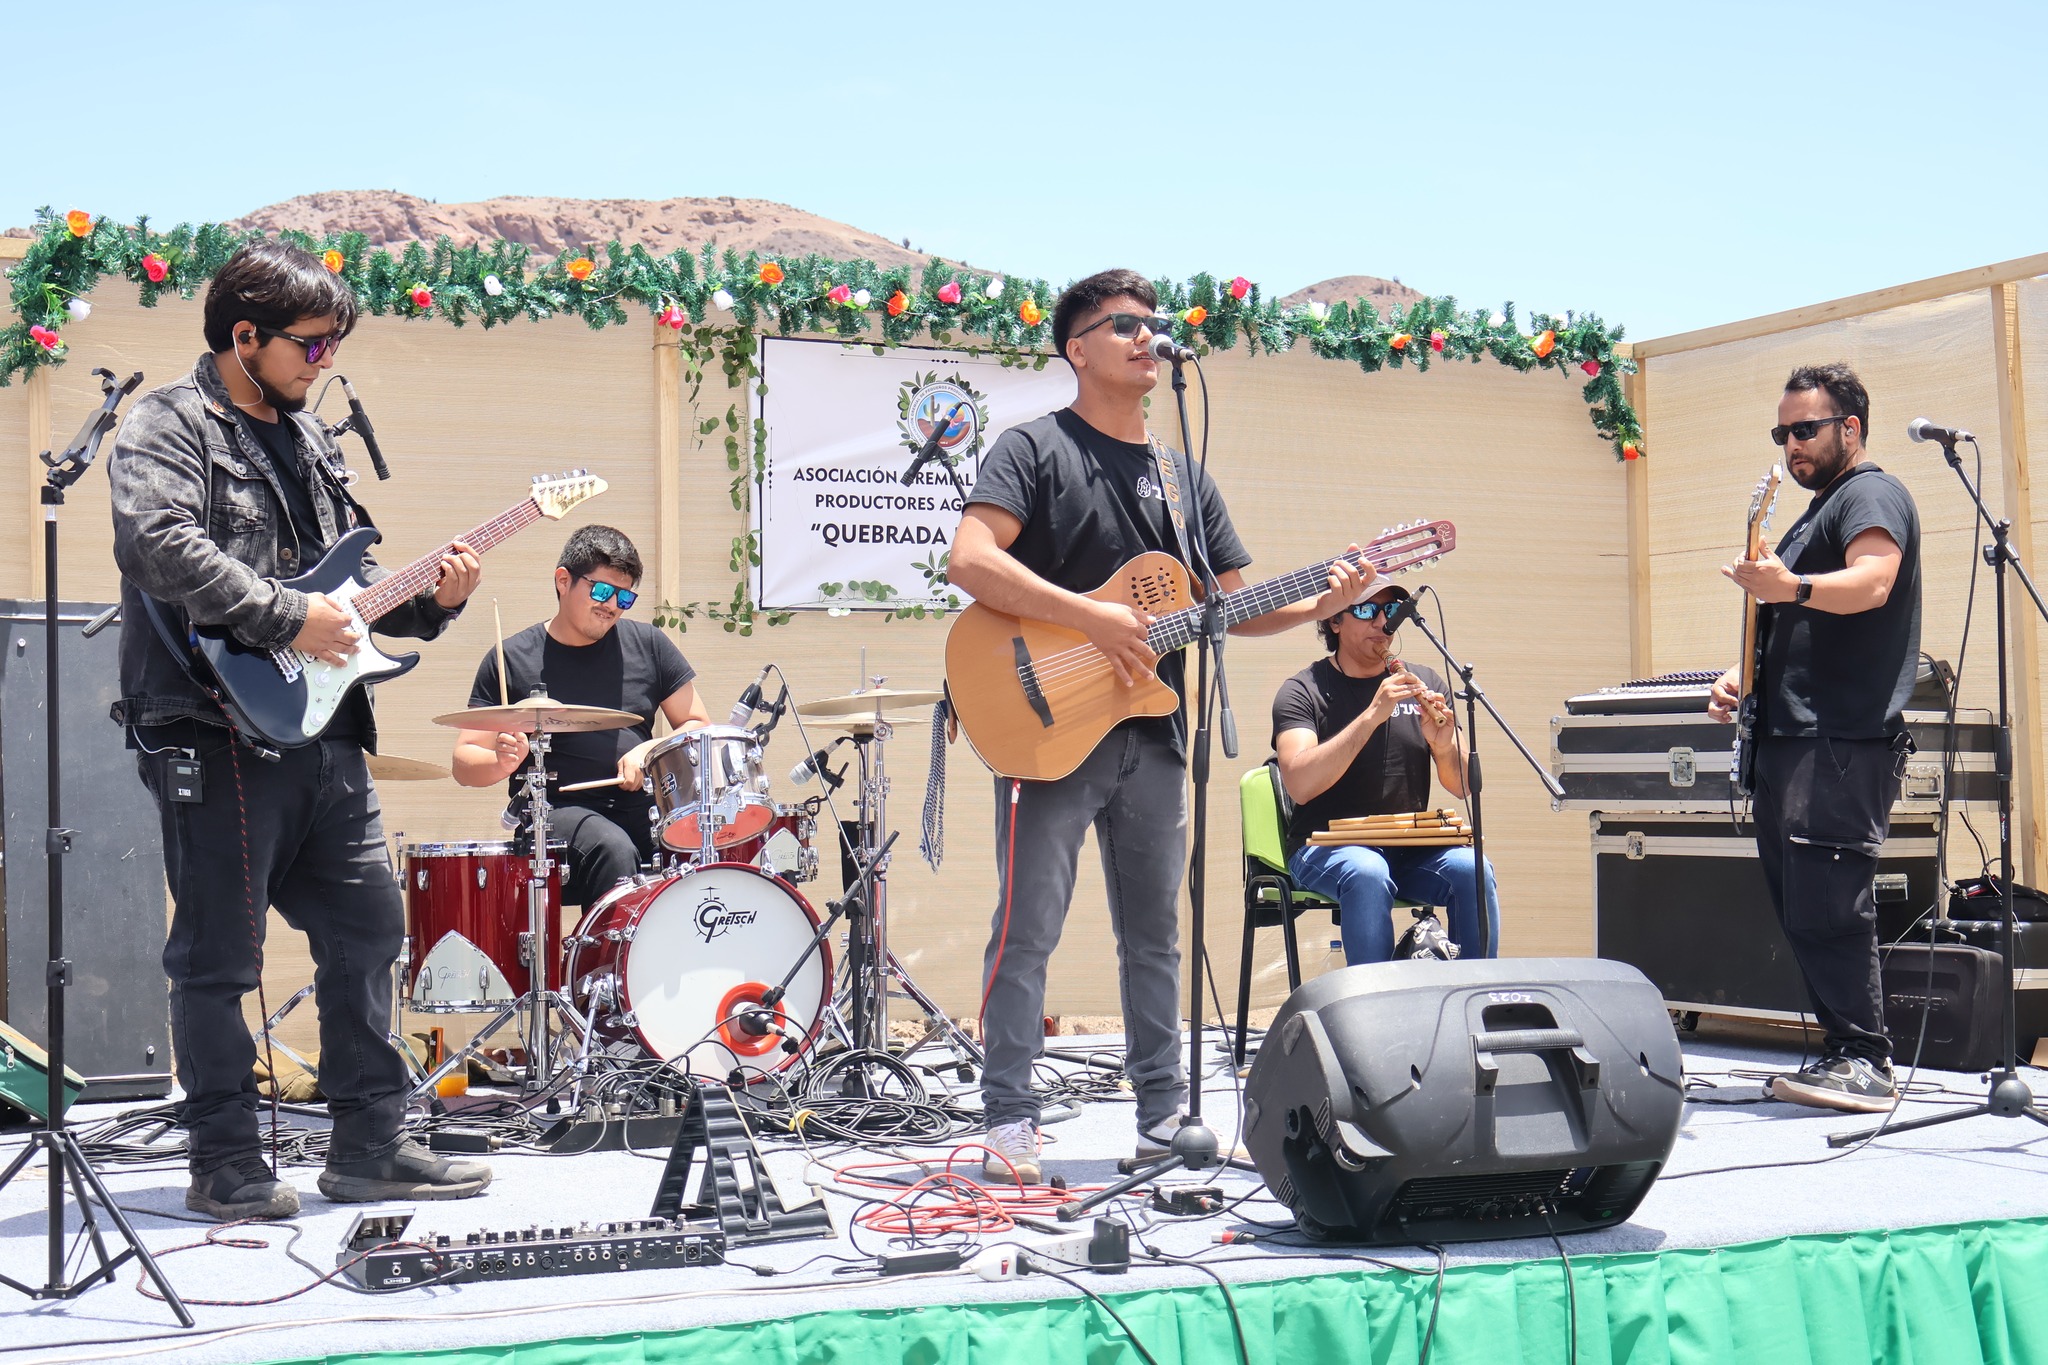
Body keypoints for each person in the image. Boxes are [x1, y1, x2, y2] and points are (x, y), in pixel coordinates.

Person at [948, 267, 1374, 1184]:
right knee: (1028, 928)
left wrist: (1319, 603)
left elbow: (1228, 602)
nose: (1148, 336)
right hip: (1042, 726)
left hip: (1152, 734)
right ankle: (1008, 1117)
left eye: (1153, 322)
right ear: (1077, 349)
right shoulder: (1032, 449)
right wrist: (1090, 618)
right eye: (1124, 324)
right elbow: (970, 560)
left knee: (1156, 937)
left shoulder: (1185, 480)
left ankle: (1161, 1117)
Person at [109, 239, 489, 1221]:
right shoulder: (168, 424)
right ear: (246, 336)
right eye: (312, 345)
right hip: (213, 726)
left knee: (368, 932)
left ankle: (372, 1145)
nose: (325, 362)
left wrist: (432, 602)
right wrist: (286, 618)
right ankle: (225, 1161)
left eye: (333, 346)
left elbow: (346, 589)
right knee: (219, 959)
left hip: (326, 729)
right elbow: (158, 545)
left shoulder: (312, 439)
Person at [1709, 362, 1919, 1113]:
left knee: (1830, 902)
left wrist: (1790, 586)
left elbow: (1874, 581)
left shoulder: (1869, 494)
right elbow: (1798, 627)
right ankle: (1843, 1051)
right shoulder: (1815, 514)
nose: (1792, 444)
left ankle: (1865, 1059)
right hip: (1794, 739)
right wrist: (1743, 678)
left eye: (1805, 429)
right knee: (1807, 905)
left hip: (1836, 740)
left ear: (1850, 428)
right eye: (1782, 433)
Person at [451, 525, 708, 909]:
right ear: (563, 581)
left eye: (625, 596)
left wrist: (649, 751)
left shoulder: (650, 645)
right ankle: (609, 951)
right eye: (602, 591)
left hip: (641, 806)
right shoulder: (512, 658)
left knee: (701, 843)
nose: (612, 605)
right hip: (553, 814)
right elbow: (464, 761)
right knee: (612, 848)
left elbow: (697, 725)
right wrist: (500, 762)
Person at [1271, 582, 1500, 963]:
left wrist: (1443, 745)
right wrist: (1371, 717)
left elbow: (1463, 786)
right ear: (1334, 621)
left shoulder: (1425, 682)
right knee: (1367, 872)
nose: (1382, 622)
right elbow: (1299, 784)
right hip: (1324, 846)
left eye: (1391, 611)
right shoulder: (1302, 690)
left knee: (1473, 870)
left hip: (1407, 847)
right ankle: (1375, 998)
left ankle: (1475, 990)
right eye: (1365, 610)